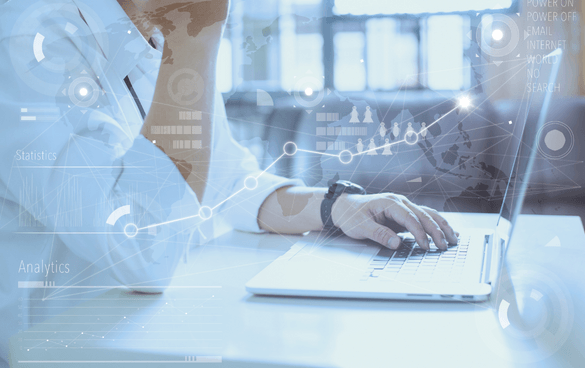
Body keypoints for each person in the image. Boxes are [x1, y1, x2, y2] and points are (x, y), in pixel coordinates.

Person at [0, 1, 458, 365]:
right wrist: (197, 36)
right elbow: (144, 252)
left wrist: (333, 206)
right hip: (65, 348)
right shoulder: (25, 41)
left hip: (152, 330)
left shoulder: (154, 35)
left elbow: (228, 179)